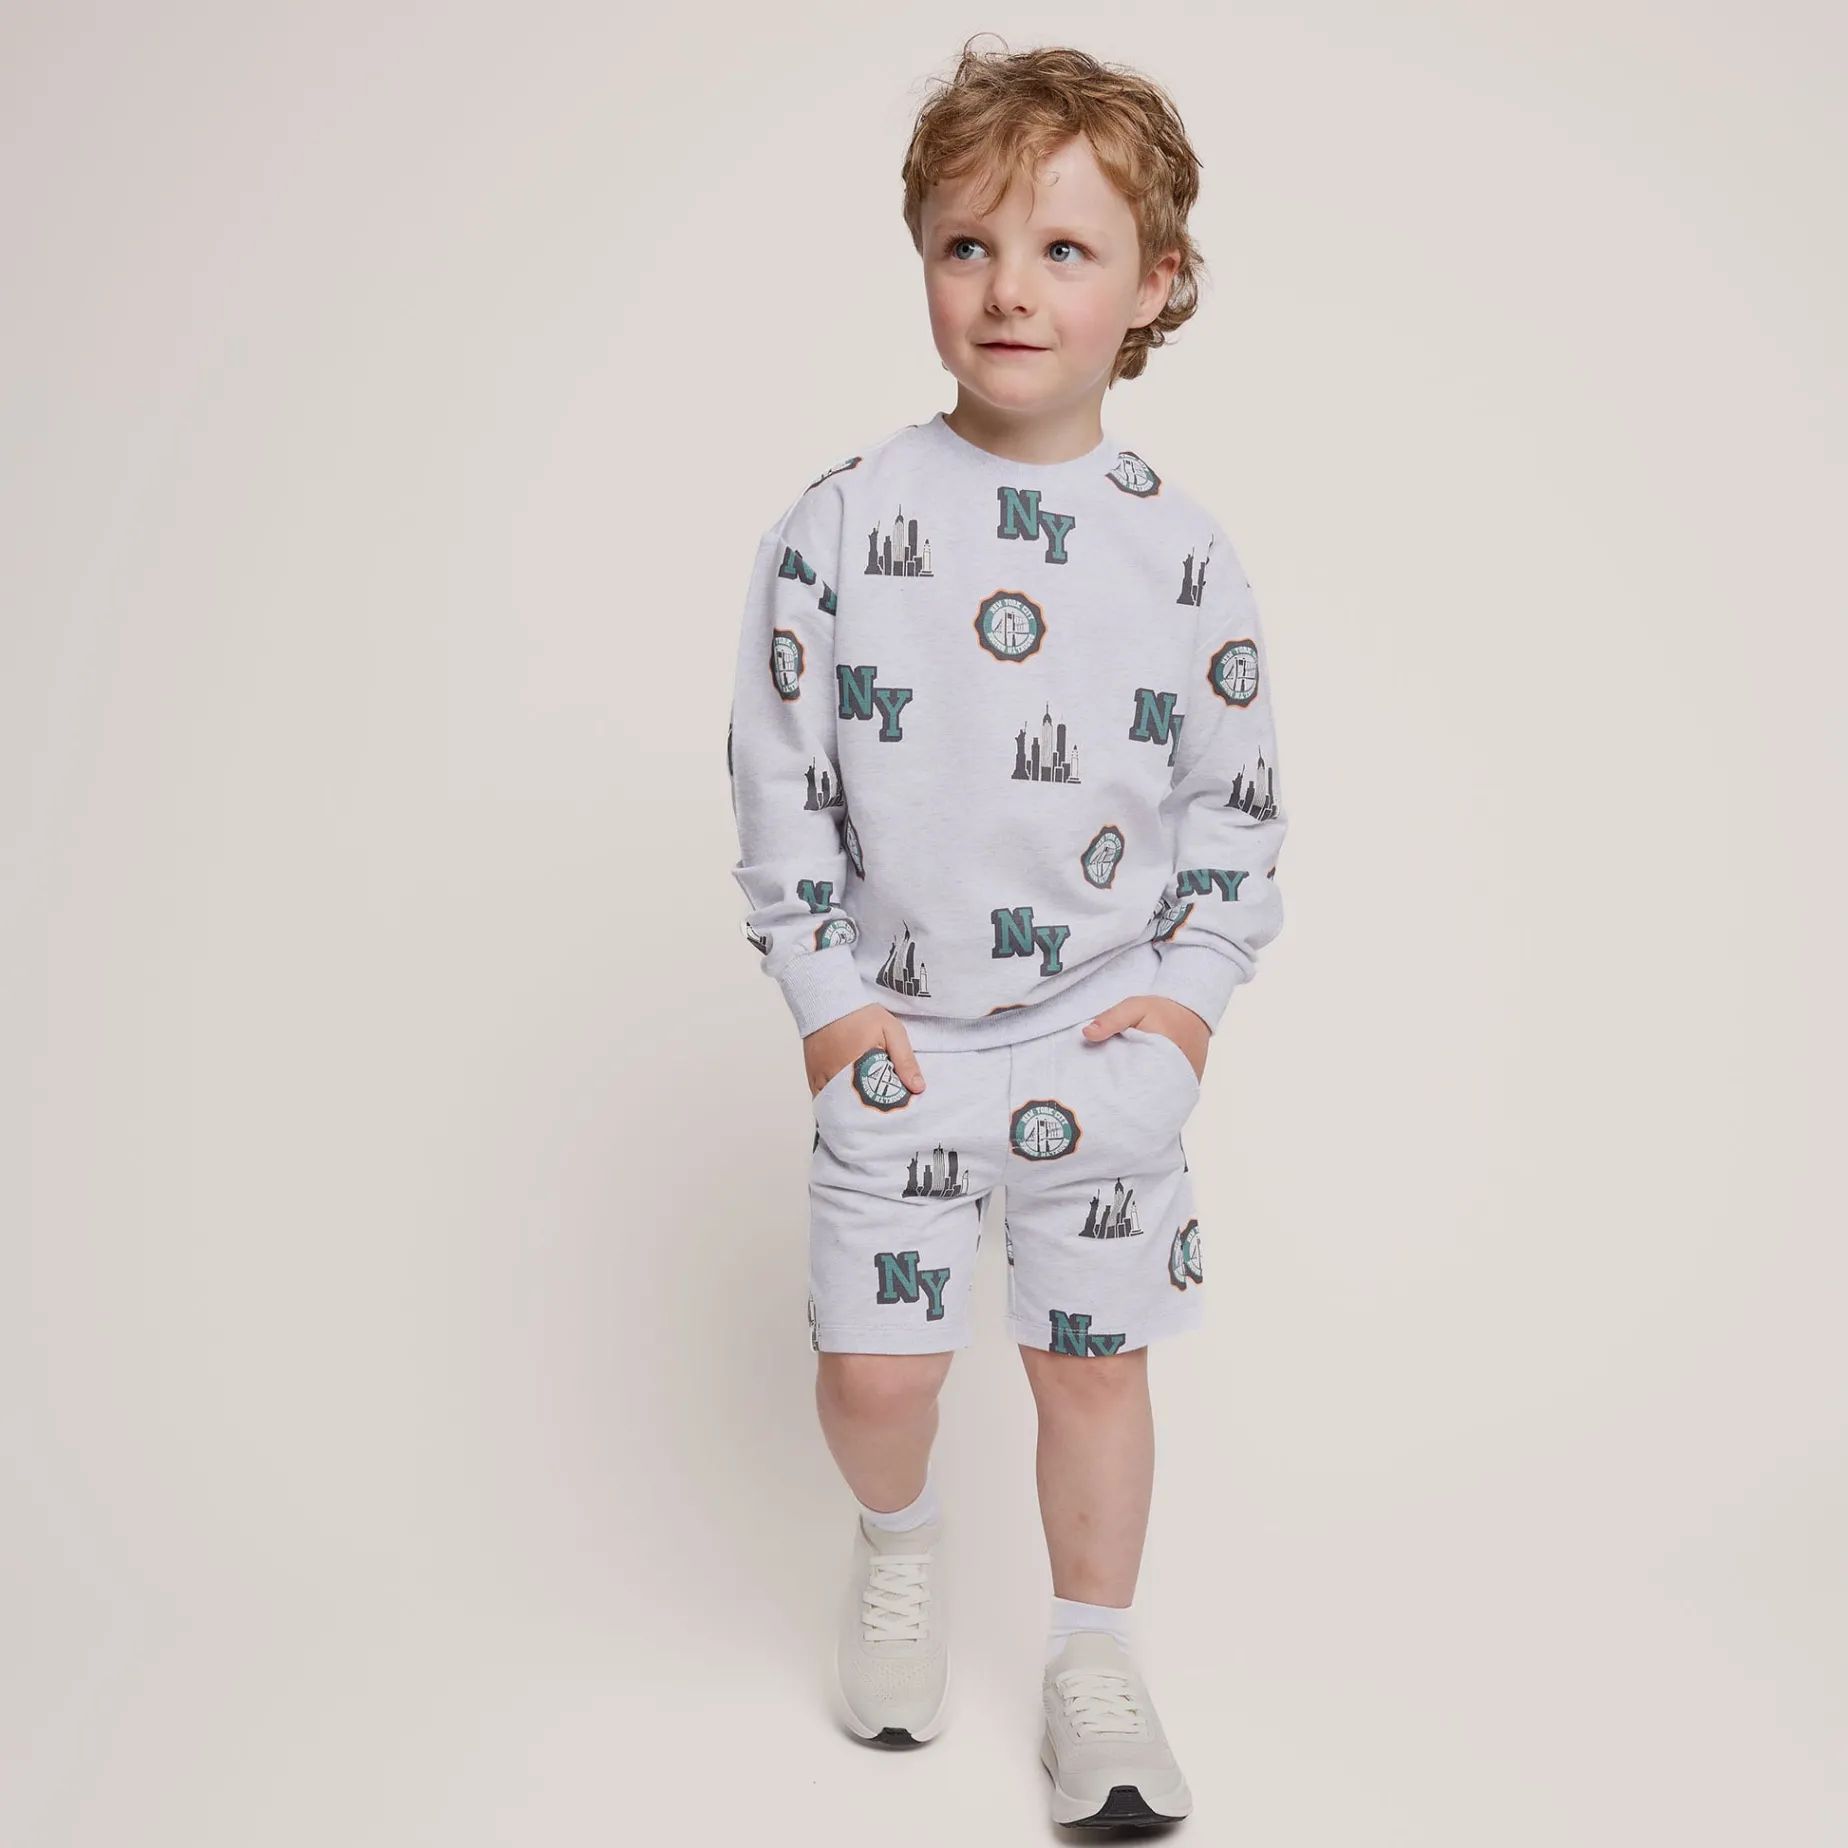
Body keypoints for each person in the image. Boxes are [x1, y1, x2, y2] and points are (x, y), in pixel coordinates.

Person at [724, 37, 1288, 1831]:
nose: (1010, 290)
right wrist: (827, 1005)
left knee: (1091, 1368)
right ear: (922, 262)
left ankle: (1093, 1661)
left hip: (1096, 1038)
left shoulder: (1182, 556)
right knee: (876, 1373)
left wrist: (1184, 1008)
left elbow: (1235, 811)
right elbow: (778, 781)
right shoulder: (839, 527)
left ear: (1155, 284)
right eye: (967, 246)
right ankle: (896, 1544)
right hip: (898, 1038)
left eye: (1062, 250)